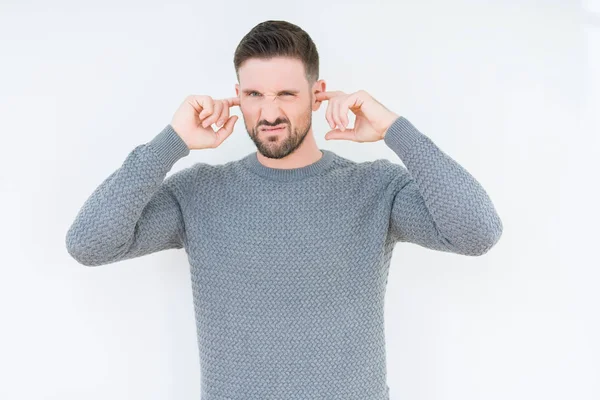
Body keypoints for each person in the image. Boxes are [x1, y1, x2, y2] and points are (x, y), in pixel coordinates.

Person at [65, 20, 503, 400]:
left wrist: (394, 129)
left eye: (287, 94)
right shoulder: (198, 193)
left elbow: (477, 232)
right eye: (254, 94)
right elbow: (88, 243)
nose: (269, 112)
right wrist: (171, 141)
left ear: (317, 95)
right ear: (237, 95)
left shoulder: (375, 188)